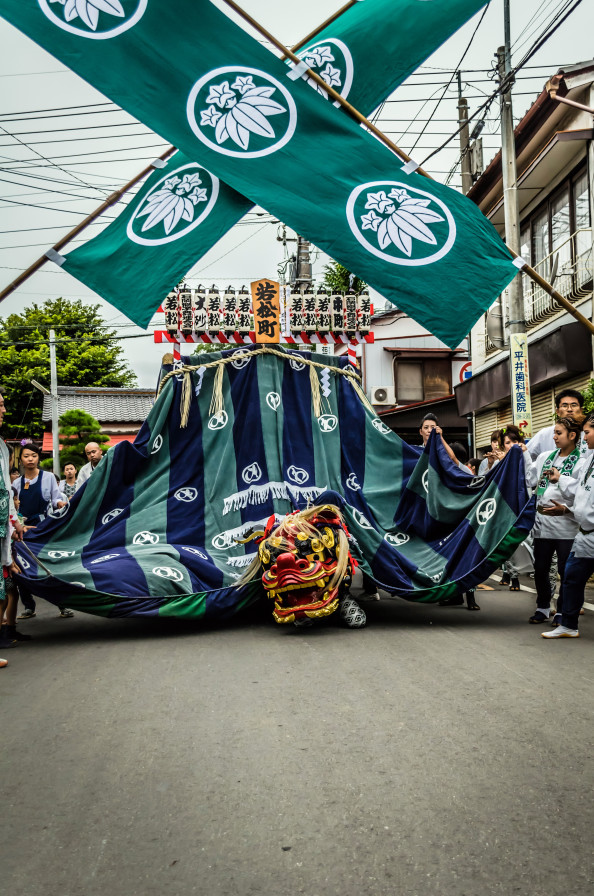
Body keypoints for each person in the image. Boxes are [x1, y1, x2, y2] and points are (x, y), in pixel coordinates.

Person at [525, 417, 583, 626]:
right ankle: (542, 607)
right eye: (554, 433)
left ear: (572, 435)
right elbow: (530, 479)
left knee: (565, 571)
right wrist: (521, 454)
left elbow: (584, 495)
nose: (554, 437)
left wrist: (566, 508)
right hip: (542, 523)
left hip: (567, 525)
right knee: (540, 567)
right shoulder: (544, 457)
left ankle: (562, 611)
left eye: (559, 433)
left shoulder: (582, 462)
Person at [542, 412, 594, 638]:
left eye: (588, 432)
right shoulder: (590, 457)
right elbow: (579, 489)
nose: (585, 437)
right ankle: (569, 625)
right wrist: (559, 479)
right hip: (585, 533)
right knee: (571, 576)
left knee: (571, 574)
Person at [13, 444, 74, 620]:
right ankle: (28, 606)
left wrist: (61, 504)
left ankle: (62, 605)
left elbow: (56, 499)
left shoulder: (47, 477)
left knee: (51, 565)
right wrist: (18, 524)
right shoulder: (16, 482)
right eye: (26, 456)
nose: (30, 459)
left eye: (33, 455)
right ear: (21, 460)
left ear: (38, 458)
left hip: (43, 526)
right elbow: (13, 507)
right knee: (22, 566)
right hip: (22, 529)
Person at [0, 391, 24, 662]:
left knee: (4, 588)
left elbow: (6, 491)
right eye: (1, 405)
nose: (4, 410)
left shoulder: (2, 447)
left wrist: (14, 520)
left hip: (3, 527)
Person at [497, 425, 531, 591]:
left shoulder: (526, 455)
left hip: (525, 505)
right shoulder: (501, 462)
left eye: (515, 441)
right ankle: (513, 577)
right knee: (509, 544)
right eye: (508, 443)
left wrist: (525, 454)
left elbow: (531, 478)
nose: (512, 445)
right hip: (507, 507)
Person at [527, 389, 589, 460]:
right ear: (558, 412)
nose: (569, 409)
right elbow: (525, 456)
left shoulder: (589, 433)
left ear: (581, 410)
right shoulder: (545, 434)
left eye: (574, 405)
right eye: (565, 406)